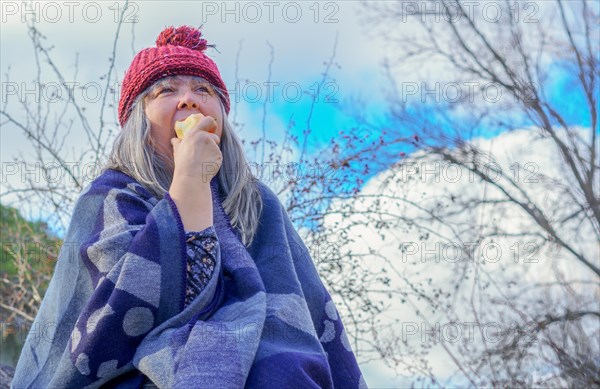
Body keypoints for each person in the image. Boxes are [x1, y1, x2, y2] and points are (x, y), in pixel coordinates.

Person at [11, 25, 366, 388]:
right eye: (166, 90)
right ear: (138, 121)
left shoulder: (257, 204)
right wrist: (190, 183)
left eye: (204, 90)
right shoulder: (111, 197)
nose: (189, 100)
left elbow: (302, 316)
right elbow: (115, 323)